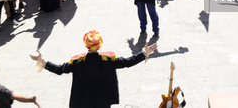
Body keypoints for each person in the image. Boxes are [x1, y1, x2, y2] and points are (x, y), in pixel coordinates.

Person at [29, 31, 157, 107]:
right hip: (104, 101)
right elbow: (128, 62)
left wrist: (42, 60)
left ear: (86, 45)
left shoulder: (77, 62)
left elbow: (59, 69)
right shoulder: (109, 60)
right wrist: (144, 53)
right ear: (100, 44)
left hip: (83, 102)